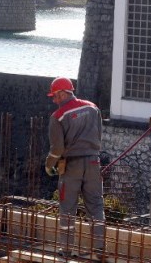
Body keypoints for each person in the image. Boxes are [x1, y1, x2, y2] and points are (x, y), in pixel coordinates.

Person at [44, 77, 110, 262]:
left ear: (64, 93)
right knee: (96, 205)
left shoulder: (57, 117)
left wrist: (49, 165)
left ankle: (65, 251)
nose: (54, 100)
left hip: (71, 165)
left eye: (55, 96)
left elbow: (57, 149)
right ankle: (100, 248)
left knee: (67, 208)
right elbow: (99, 134)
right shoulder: (93, 107)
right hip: (93, 163)